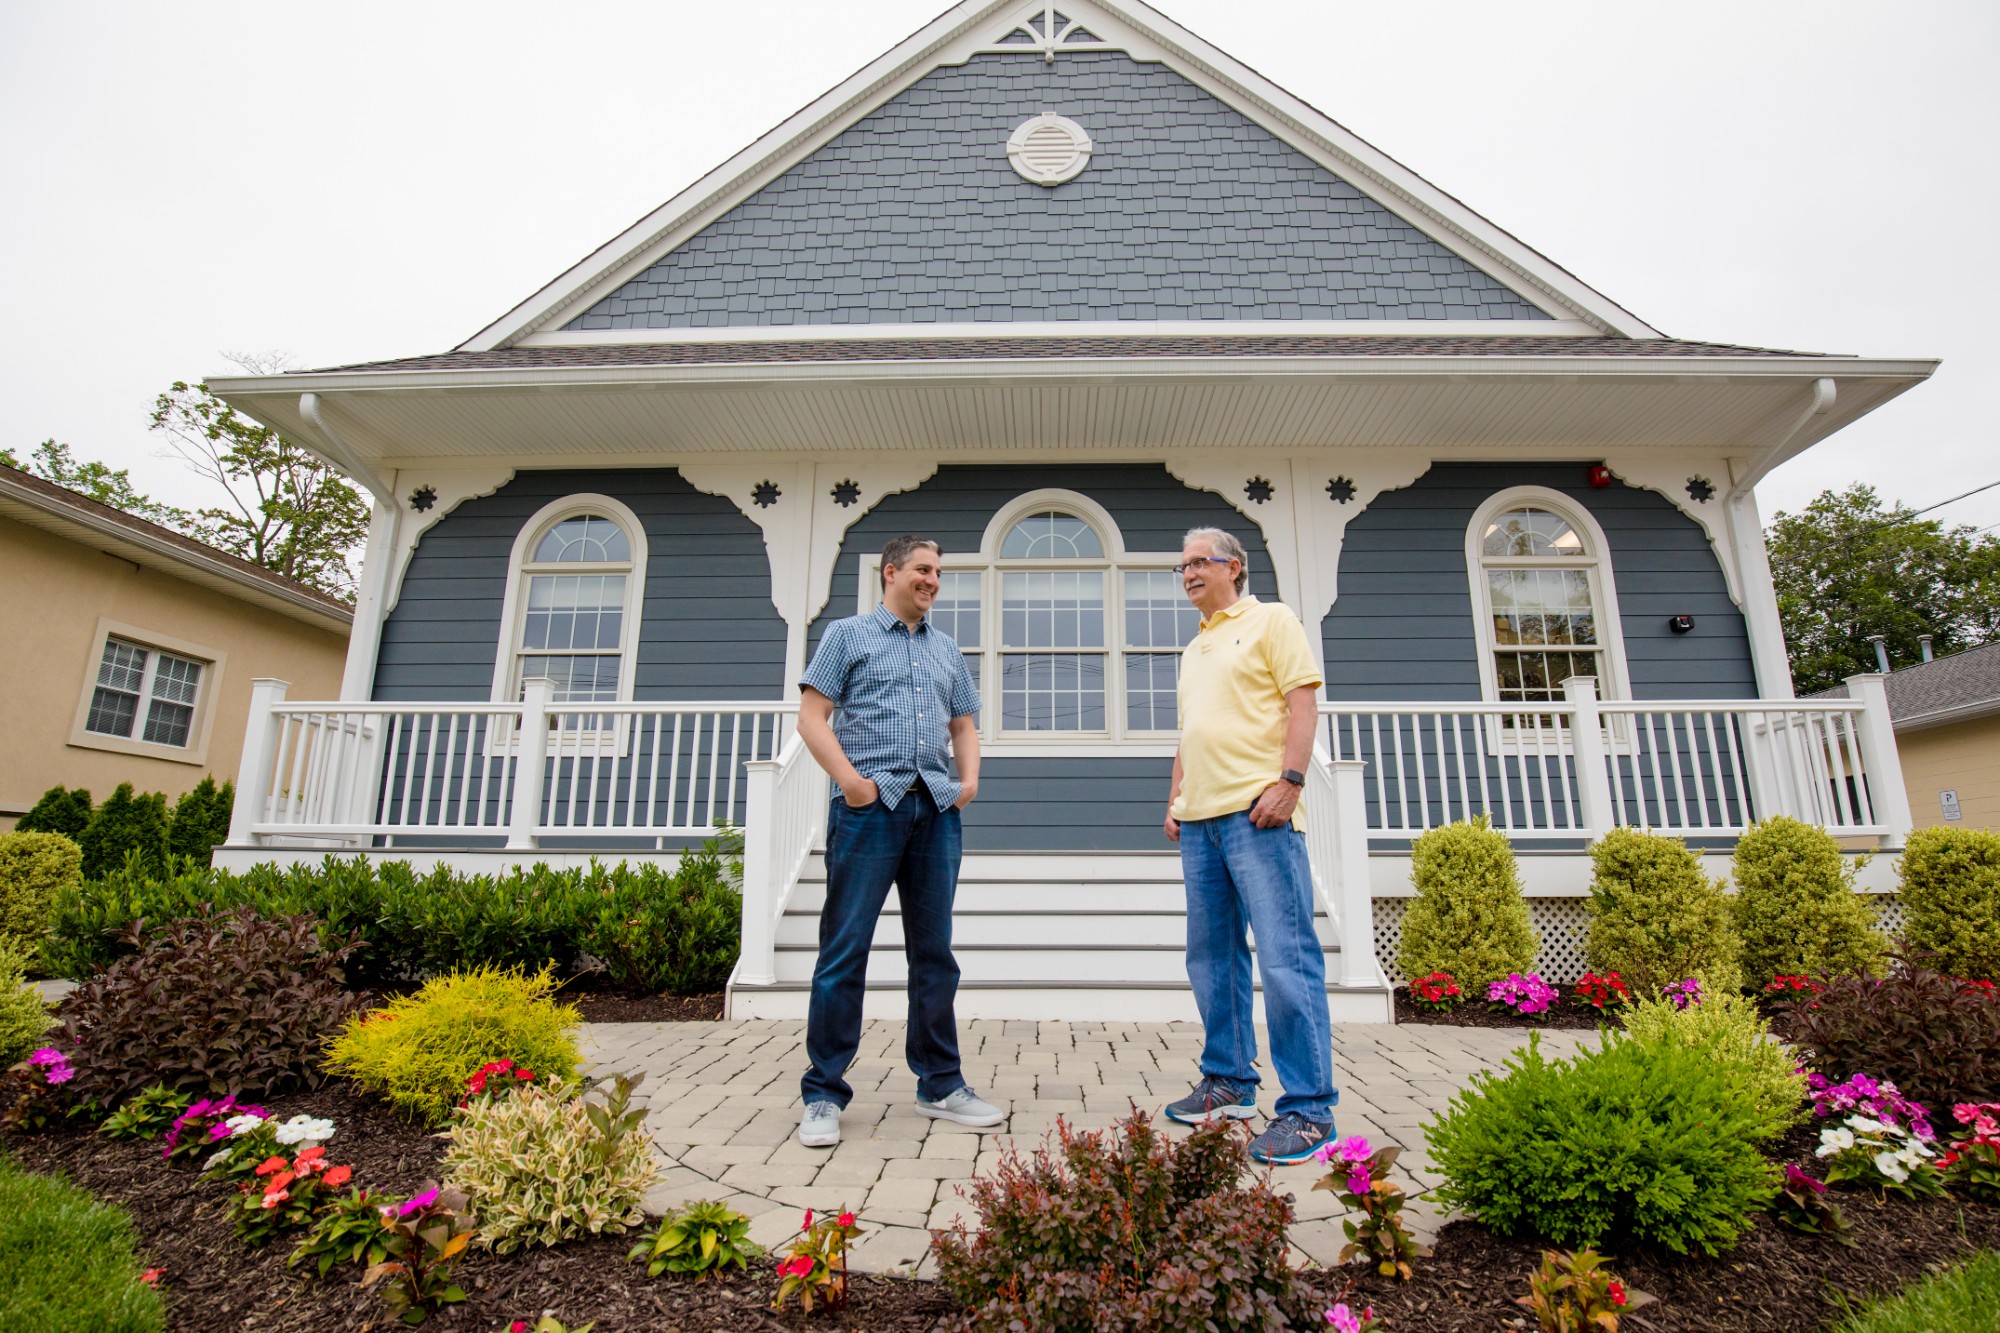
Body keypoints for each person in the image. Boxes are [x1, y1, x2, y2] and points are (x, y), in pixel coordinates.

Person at [792, 534, 1004, 1148]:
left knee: (934, 955)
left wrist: (967, 783)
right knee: (844, 950)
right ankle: (824, 1094)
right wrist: (853, 784)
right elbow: (812, 717)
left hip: (935, 811)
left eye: (938, 571)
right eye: (922, 569)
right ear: (891, 573)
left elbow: (963, 724)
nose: (932, 580)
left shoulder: (946, 650)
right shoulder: (847, 635)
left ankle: (940, 1084)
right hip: (869, 809)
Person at [1160, 526, 1339, 1164]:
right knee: (1212, 959)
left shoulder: (1273, 621)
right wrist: (1176, 795)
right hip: (1201, 820)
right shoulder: (1195, 648)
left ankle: (1310, 1109)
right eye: (1181, 566)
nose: (1187, 573)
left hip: (1259, 814)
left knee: (1286, 960)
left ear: (1234, 567)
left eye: (1198, 562)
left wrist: (1290, 782)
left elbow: (1302, 705)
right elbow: (1193, 730)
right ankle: (1229, 1081)